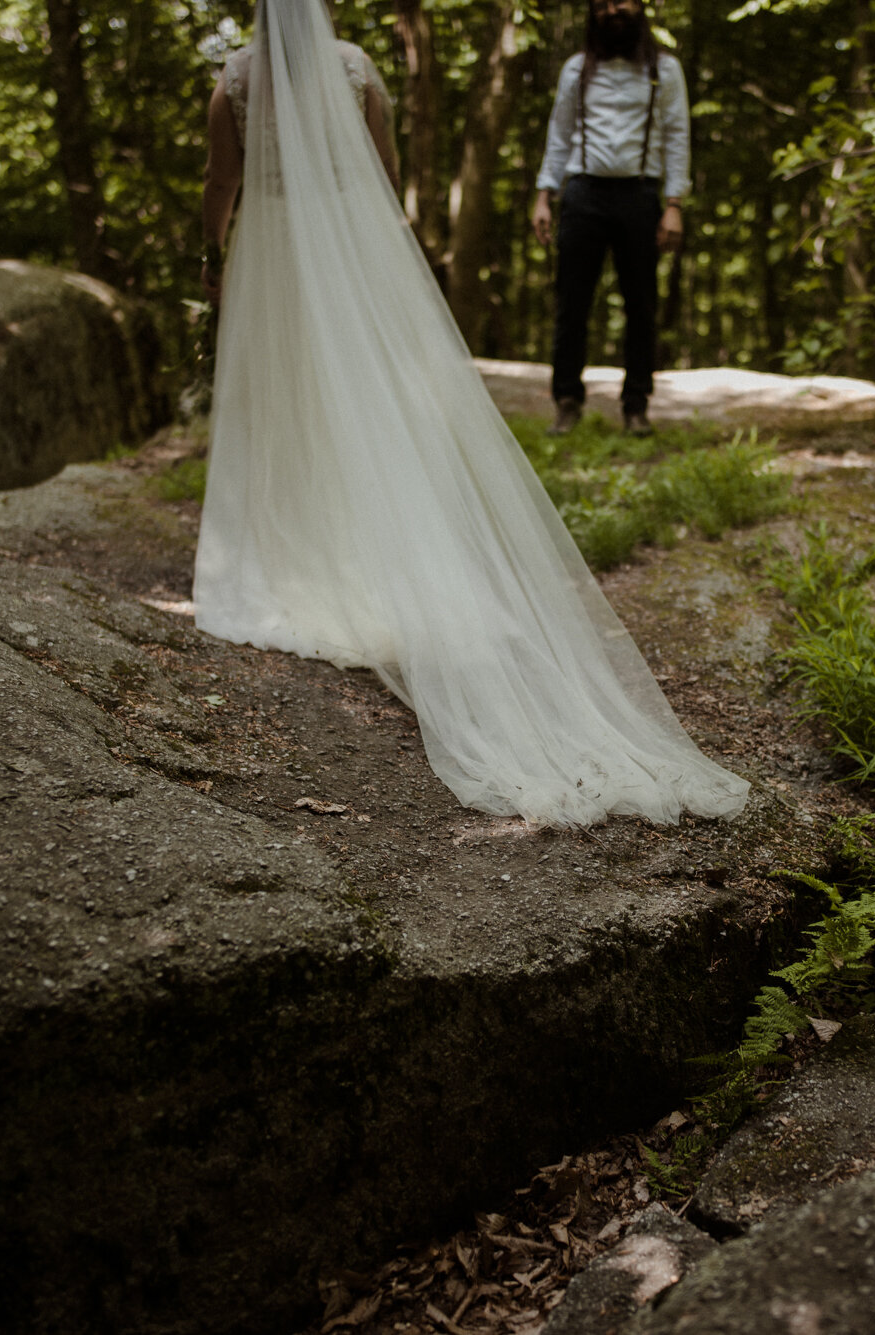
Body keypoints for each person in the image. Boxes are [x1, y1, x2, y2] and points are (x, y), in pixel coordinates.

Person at [192, 0, 746, 828]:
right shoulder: (355, 71)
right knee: (366, 402)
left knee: (287, 397)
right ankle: (361, 549)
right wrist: (381, 260)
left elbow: (220, 183)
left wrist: (212, 255)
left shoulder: (234, 79)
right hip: (346, 245)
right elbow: (380, 174)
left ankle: (295, 549)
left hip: (275, 254)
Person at [529, 0, 689, 438]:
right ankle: (566, 400)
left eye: (623, 1)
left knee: (641, 305)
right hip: (583, 192)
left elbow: (677, 136)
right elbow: (559, 135)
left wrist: (674, 203)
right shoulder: (577, 69)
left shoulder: (665, 70)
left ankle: (636, 404)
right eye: (603, 3)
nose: (613, 10)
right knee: (572, 303)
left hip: (640, 194)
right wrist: (545, 195)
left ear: (640, 8)